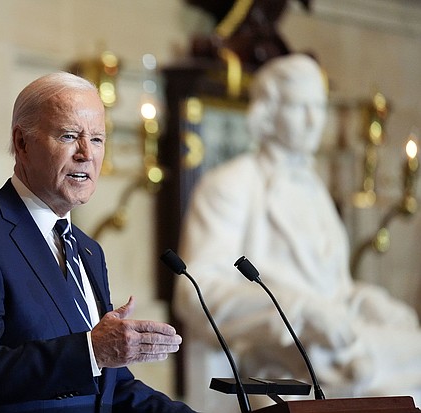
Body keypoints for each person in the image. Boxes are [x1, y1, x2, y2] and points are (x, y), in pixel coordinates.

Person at [0, 72, 198, 413]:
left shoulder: (87, 249)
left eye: (97, 139)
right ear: (22, 143)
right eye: (70, 136)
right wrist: (92, 352)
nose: (86, 154)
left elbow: (109, 388)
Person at [173, 53, 421, 412]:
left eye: (318, 107)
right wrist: (300, 310)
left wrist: (364, 300)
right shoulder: (230, 184)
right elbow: (195, 291)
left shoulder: (314, 189)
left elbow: (333, 289)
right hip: (280, 351)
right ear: (268, 112)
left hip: (338, 341)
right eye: (298, 107)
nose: (311, 121)